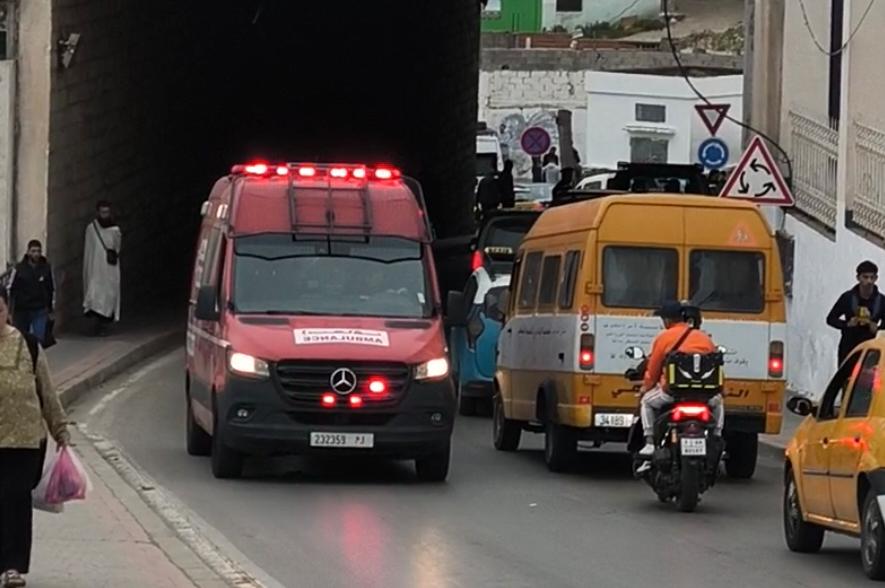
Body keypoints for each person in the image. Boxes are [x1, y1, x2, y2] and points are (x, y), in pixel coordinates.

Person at [0, 288, 70, 587]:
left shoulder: (28, 345)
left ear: (8, 311)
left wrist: (60, 429)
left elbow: (47, 391)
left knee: (16, 501)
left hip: (25, 440)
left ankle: (12, 566)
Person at [638, 301, 724, 460]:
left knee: (646, 403)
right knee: (718, 402)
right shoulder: (704, 337)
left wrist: (645, 388)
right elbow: (716, 364)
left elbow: (653, 370)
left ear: (667, 320)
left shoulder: (663, 338)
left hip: (672, 394)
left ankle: (649, 442)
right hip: (704, 396)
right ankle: (717, 437)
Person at [827, 260, 885, 364]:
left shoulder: (882, 301)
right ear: (858, 278)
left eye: (872, 277)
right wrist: (847, 324)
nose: (869, 281)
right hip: (848, 348)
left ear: (876, 278)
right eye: (865, 277)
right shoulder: (847, 298)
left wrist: (878, 329)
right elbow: (831, 319)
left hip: (871, 349)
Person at [83, 201, 122, 336]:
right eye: (102, 212)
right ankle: (97, 326)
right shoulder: (91, 229)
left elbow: (117, 247)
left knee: (108, 296)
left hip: (109, 268)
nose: (105, 215)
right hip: (95, 268)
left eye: (107, 212)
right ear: (98, 212)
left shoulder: (115, 229)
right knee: (95, 296)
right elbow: (89, 250)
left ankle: (103, 325)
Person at [9, 241, 54, 345]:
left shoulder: (46, 268)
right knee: (21, 338)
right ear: (28, 252)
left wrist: (50, 306)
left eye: (38, 251)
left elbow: (51, 287)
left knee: (39, 338)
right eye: (33, 251)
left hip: (39, 308)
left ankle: (36, 353)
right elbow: (11, 288)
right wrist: (10, 309)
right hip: (22, 309)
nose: (36, 254)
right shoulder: (19, 268)